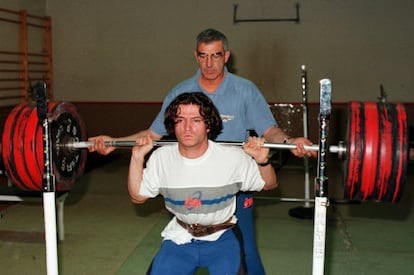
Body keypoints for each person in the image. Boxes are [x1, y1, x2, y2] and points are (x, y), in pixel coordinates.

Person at [89, 28, 316, 274]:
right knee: (187, 240)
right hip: (190, 183)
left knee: (246, 253)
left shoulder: (245, 90)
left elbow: (269, 131)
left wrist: (291, 142)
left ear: (226, 56)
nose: (209, 63)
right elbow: (152, 135)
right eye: (203, 56)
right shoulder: (180, 92)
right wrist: (114, 142)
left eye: (216, 55)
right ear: (196, 56)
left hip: (233, 184)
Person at [128, 92, 277, 274]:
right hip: (180, 237)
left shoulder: (232, 157)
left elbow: (269, 184)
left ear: (208, 125)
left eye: (196, 120)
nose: (187, 128)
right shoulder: (162, 158)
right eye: (180, 120)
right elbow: (138, 197)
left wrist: (262, 161)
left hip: (223, 237)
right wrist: (137, 157)